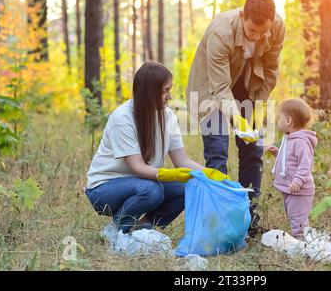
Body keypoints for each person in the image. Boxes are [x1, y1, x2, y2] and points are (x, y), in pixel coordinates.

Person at [85, 62, 228, 234]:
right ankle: (116, 231)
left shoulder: (168, 117)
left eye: (170, 89)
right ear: (149, 93)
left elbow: (182, 160)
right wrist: (167, 175)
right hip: (104, 188)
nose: (170, 96)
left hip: (142, 183)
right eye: (165, 91)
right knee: (152, 190)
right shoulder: (122, 118)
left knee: (188, 187)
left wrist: (212, 176)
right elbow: (137, 167)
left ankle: (142, 229)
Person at [186, 0, 285, 235]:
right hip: (210, 88)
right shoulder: (221, 32)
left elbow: (270, 70)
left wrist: (256, 109)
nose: (259, 37)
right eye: (253, 32)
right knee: (218, 151)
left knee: (253, 150)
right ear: (243, 16)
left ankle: (249, 221)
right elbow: (220, 87)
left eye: (264, 32)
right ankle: (219, 224)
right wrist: (236, 118)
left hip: (247, 84)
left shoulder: (278, 27)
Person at [265, 99, 317, 239]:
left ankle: (302, 244)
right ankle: (303, 240)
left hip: (299, 190)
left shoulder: (300, 141)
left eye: (279, 117)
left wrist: (298, 180)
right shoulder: (290, 138)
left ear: (288, 120)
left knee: (298, 221)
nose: (277, 121)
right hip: (292, 189)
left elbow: (305, 164)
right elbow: (290, 159)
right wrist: (277, 153)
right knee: (294, 216)